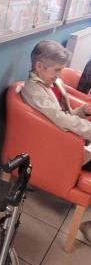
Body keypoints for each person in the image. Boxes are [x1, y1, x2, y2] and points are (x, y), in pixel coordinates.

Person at [21, 40, 91, 243]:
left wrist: (82, 111)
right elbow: (60, 121)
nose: (60, 75)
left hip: (67, 140)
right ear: (39, 66)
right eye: (57, 70)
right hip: (61, 148)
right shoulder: (34, 91)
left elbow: (62, 115)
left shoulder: (51, 84)